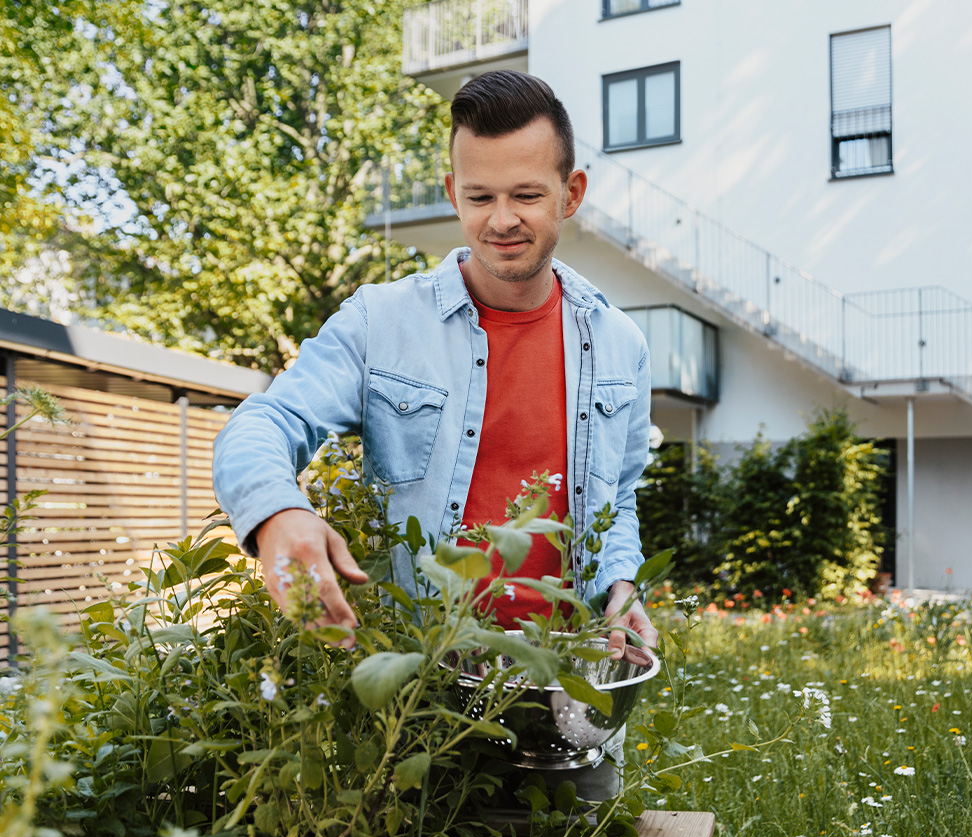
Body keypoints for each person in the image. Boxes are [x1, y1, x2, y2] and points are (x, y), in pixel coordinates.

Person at [211, 69, 658, 663]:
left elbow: (619, 497)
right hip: (421, 688)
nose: (501, 220)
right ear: (453, 193)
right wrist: (276, 512)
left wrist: (622, 584)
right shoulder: (380, 322)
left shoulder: (620, 343)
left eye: (526, 195)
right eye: (480, 197)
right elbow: (266, 420)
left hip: (568, 673)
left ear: (571, 193)